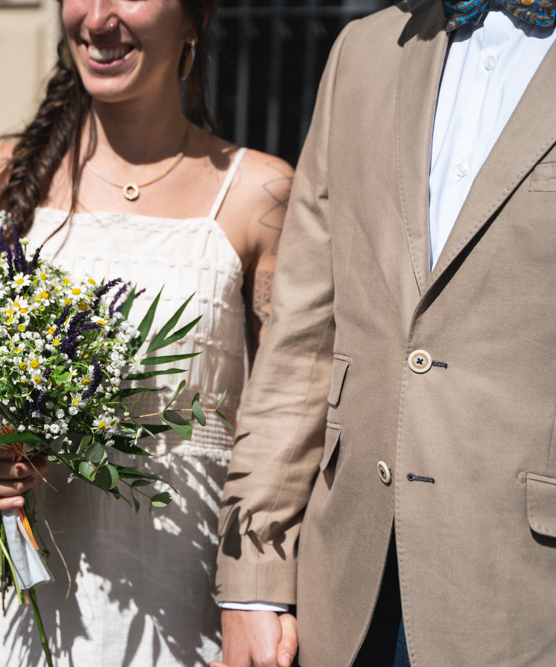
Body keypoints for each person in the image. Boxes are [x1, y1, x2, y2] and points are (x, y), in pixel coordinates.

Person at [212, 1, 556, 666]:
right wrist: (252, 584)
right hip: (346, 596)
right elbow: (301, 340)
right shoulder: (363, 52)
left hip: (524, 600)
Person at [0, 0, 292, 665]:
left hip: (187, 592)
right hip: (36, 592)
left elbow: (285, 416)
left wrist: (262, 595)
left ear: (194, 19)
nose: (100, 16)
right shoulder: (5, 174)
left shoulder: (260, 193)